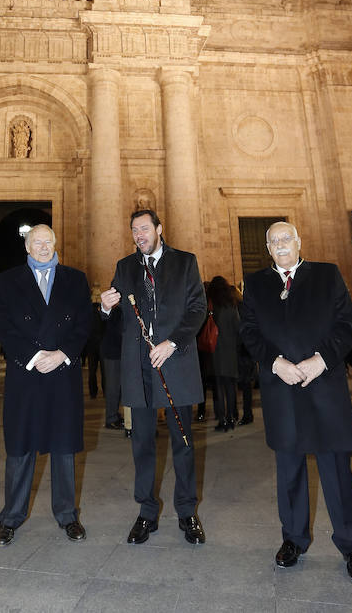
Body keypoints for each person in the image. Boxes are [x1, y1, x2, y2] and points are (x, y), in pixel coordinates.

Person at [240, 221, 352, 582]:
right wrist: (275, 363)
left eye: (286, 238)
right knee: (290, 471)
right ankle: (293, 540)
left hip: (324, 385)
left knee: (337, 472)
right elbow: (248, 330)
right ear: (267, 249)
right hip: (281, 387)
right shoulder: (255, 283)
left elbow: (345, 325)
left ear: (299, 241)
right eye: (273, 241)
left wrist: (320, 360)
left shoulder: (327, 275)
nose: (280, 245)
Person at [101, 209, 207, 546]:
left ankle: (187, 511)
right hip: (139, 368)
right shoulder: (124, 267)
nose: (139, 235)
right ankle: (146, 512)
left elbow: (197, 309)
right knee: (142, 444)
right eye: (134, 230)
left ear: (159, 229)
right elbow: (116, 321)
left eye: (145, 228)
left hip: (175, 362)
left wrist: (172, 342)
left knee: (183, 444)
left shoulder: (185, 262)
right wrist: (104, 308)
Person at [0, 224, 92, 546]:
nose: (43, 247)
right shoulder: (8, 281)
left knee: (64, 449)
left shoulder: (75, 279)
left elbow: (83, 324)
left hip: (62, 372)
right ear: (27, 247)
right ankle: (11, 517)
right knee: (20, 449)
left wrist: (62, 354)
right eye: (36, 242)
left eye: (47, 242)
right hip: (27, 373)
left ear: (55, 243)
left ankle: (67, 516)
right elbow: (5, 327)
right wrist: (35, 356)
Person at [207, 276, 240, 432]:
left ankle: (222, 420)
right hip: (230, 350)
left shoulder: (211, 305)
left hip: (214, 351)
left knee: (218, 387)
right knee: (230, 386)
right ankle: (232, 417)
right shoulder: (231, 305)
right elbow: (238, 327)